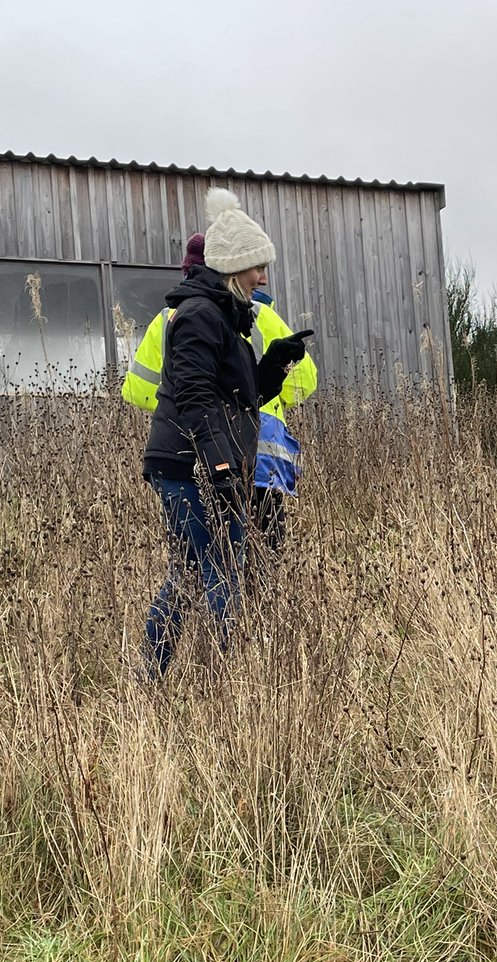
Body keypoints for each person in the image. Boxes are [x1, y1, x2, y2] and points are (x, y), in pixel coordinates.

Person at [141, 187, 312, 677]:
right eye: (257, 265)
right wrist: (217, 462)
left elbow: (237, 399)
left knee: (200, 571)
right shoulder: (198, 315)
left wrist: (275, 363)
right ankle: (228, 687)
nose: (264, 275)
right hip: (188, 465)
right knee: (210, 570)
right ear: (234, 267)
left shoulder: (226, 318)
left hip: (216, 462)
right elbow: (193, 398)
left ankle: (164, 679)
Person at [123, 234, 318, 559]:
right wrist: (263, 404)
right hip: (250, 455)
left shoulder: (165, 319)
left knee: (201, 565)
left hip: (196, 451)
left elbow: (138, 390)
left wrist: (177, 416)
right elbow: (306, 382)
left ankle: (230, 609)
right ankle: (251, 611)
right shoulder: (257, 314)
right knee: (255, 559)